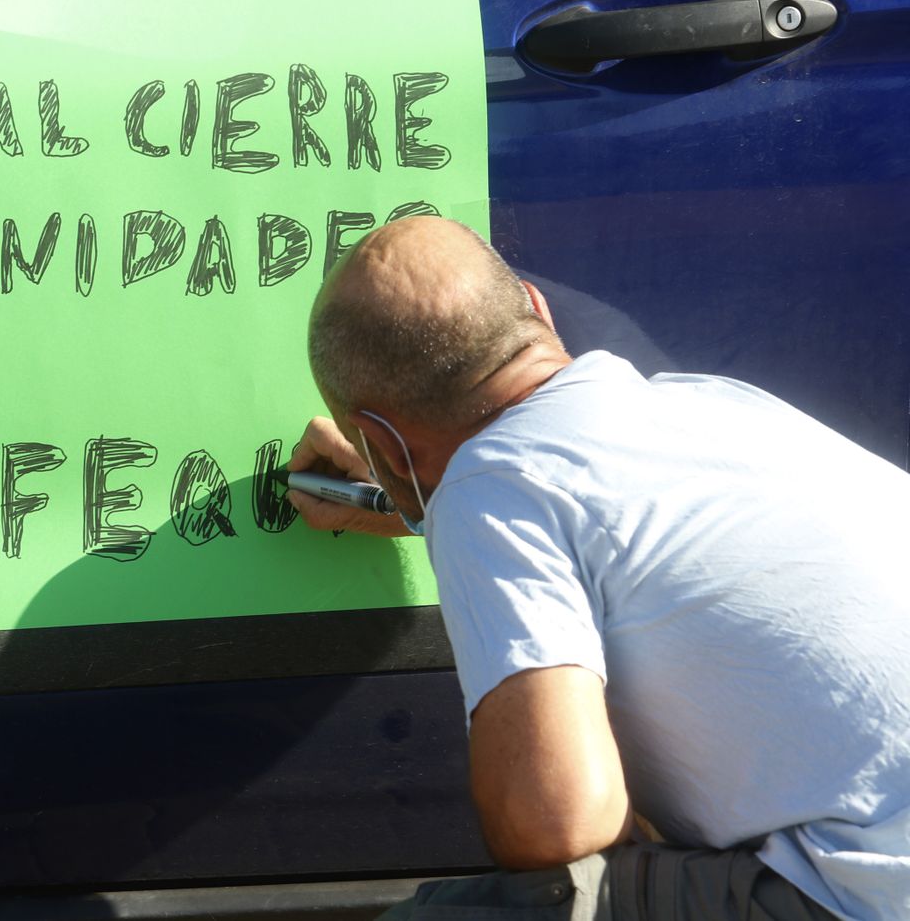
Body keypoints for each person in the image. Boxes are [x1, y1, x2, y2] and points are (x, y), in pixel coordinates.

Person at [287, 216, 910, 920]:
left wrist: (442, 497)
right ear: (538, 310)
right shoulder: (714, 404)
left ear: (381, 444)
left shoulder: (487, 489)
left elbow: (558, 823)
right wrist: (403, 505)